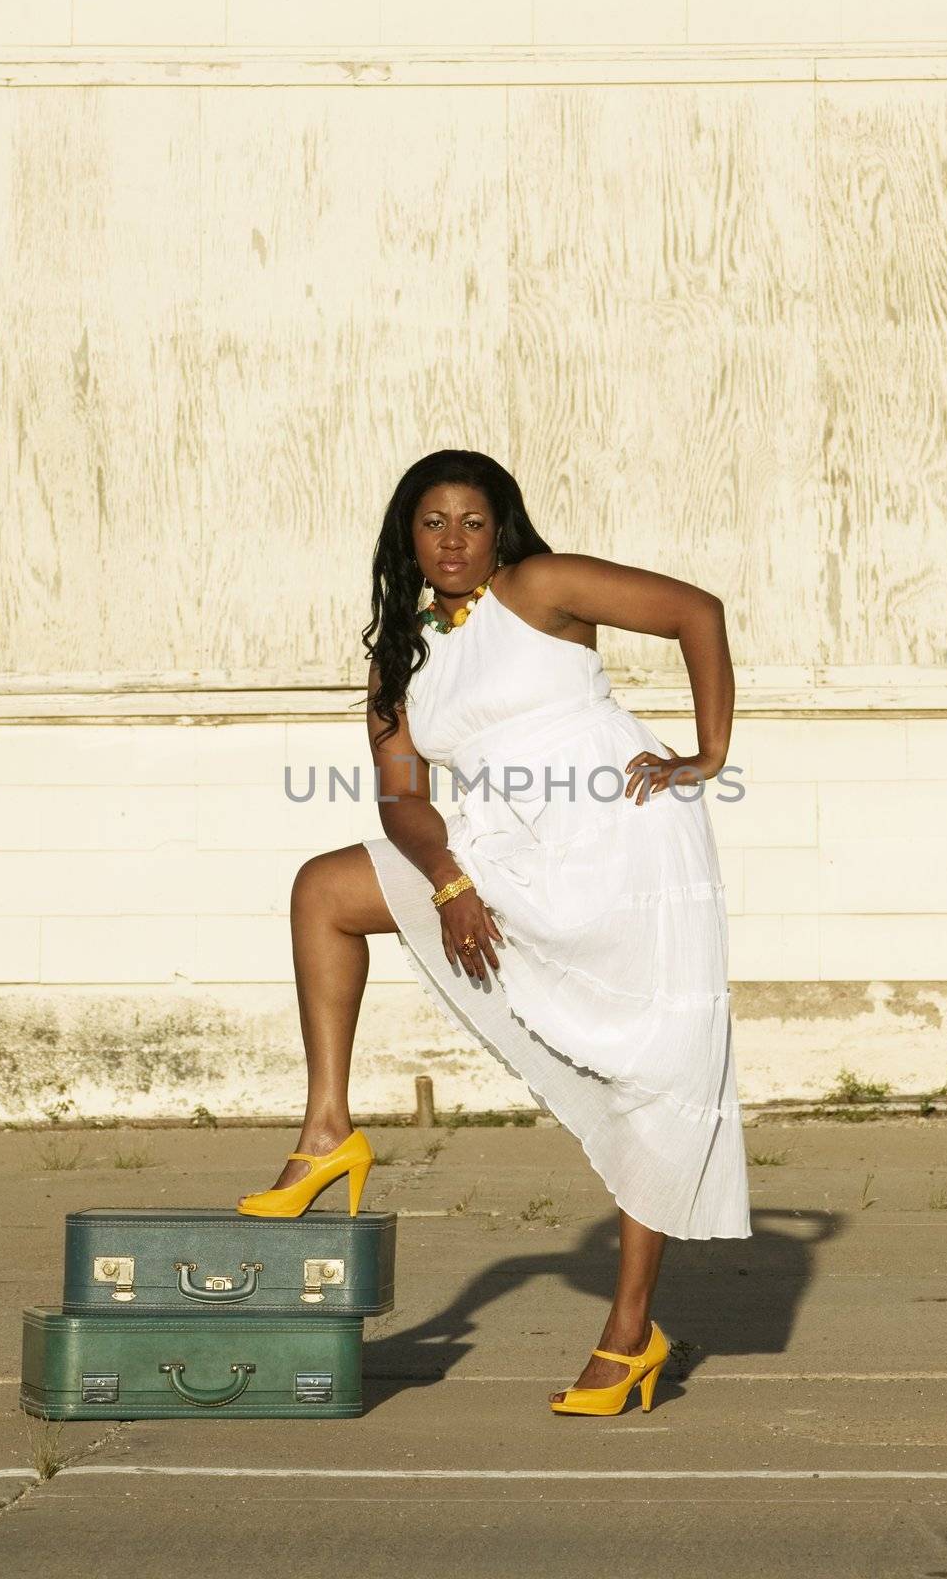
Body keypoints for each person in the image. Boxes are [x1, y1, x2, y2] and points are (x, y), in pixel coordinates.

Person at [237, 449, 751, 1415]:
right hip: (499, 845)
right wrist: (446, 881)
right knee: (324, 892)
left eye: (473, 522)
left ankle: (630, 1333)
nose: (454, 541)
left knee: (651, 1070)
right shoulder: (402, 658)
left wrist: (709, 752)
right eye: (434, 523)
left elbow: (698, 612)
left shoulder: (541, 586)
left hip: (624, 837)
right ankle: (327, 1131)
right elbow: (403, 801)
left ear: (501, 527)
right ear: (407, 537)